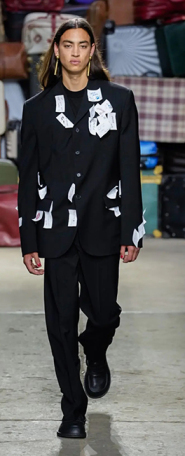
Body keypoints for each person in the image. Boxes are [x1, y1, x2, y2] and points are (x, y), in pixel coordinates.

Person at [17, 18, 144, 439]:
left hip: (102, 225)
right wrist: (29, 239)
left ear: (92, 51)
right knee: (61, 324)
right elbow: (28, 177)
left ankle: (96, 348)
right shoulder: (37, 109)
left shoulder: (119, 101)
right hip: (54, 230)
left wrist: (131, 230)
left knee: (104, 314)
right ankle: (72, 411)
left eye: (82, 45)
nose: (75, 52)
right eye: (67, 44)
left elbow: (128, 168)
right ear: (56, 50)